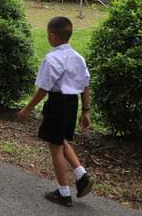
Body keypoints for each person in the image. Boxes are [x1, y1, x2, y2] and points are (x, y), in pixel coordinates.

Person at [18, 16, 94, 207]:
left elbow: (43, 89)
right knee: (61, 140)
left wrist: (27, 109)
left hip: (57, 103)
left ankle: (63, 192)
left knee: (55, 148)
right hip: (72, 103)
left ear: (52, 36)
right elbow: (85, 85)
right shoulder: (78, 58)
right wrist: (86, 111)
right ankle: (81, 175)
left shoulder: (51, 59)